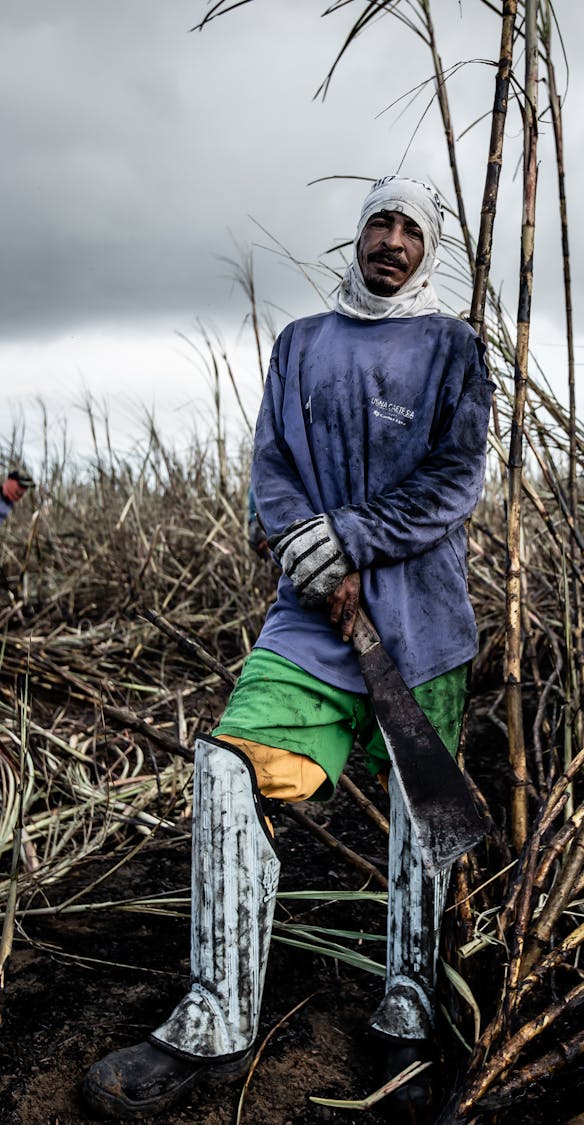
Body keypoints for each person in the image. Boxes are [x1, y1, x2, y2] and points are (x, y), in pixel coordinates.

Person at [82, 175, 493, 1122]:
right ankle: (218, 1012)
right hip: (310, 620)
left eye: (410, 229)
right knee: (228, 770)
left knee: (418, 821)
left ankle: (409, 1003)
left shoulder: (455, 348)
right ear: (357, 237)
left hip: (421, 625)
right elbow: (273, 465)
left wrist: (353, 536)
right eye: (378, 224)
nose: (392, 241)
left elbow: (453, 484)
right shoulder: (302, 344)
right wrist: (308, 548)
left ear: (429, 250)